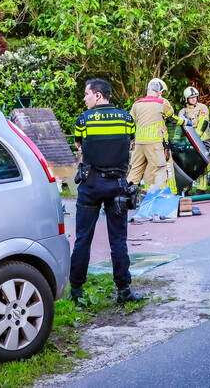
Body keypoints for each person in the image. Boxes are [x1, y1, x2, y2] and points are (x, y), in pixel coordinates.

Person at [69, 78, 142, 304]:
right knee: (118, 240)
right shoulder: (127, 119)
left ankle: (77, 292)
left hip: (91, 185)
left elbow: (80, 145)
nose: (85, 98)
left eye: (87, 94)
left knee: (83, 239)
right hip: (117, 186)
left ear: (98, 95)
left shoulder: (83, 120)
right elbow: (129, 142)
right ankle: (123, 290)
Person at [127, 78, 185, 192]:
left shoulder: (137, 104)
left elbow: (130, 122)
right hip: (155, 143)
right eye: (162, 92)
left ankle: (126, 199)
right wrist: (184, 122)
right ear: (159, 91)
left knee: (135, 172)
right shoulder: (162, 102)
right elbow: (171, 118)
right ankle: (161, 202)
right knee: (160, 172)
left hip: (139, 144)